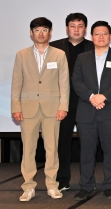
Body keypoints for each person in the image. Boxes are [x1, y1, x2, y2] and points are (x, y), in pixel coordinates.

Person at [11, 17, 69, 201]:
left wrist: (63, 106)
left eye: (45, 29)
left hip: (52, 108)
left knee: (52, 148)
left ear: (50, 33)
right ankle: (28, 186)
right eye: (37, 30)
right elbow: (16, 83)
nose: (41, 33)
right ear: (31, 33)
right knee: (28, 149)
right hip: (27, 108)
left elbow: (64, 83)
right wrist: (15, 107)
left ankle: (52, 185)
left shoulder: (59, 54)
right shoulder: (21, 55)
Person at [72, 21, 111, 201]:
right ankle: (86, 185)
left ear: (110, 36)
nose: (101, 37)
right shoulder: (82, 58)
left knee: (110, 150)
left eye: (105, 33)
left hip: (110, 111)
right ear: (91, 36)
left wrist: (103, 97)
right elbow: (76, 81)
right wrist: (91, 97)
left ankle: (109, 185)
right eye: (97, 34)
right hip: (86, 112)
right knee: (86, 151)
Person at [50, 13, 93, 192]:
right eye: (72, 26)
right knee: (62, 143)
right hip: (62, 104)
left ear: (85, 28)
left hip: (86, 102)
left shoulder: (93, 47)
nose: (76, 29)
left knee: (87, 144)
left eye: (80, 26)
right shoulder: (54, 47)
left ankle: (87, 181)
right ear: (67, 28)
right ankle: (62, 180)